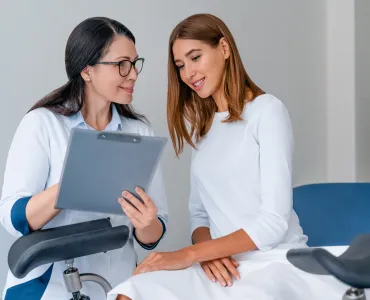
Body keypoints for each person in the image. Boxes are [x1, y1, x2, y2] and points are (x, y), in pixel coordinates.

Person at [108, 13, 346, 300]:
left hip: (274, 262)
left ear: (224, 48)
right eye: (181, 66)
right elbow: (199, 215)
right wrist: (209, 255)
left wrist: (190, 254)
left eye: (195, 58)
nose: (188, 74)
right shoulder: (204, 130)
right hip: (221, 264)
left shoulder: (267, 112)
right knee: (132, 291)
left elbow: (273, 222)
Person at [0, 17, 168, 300]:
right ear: (87, 70)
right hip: (48, 288)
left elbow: (153, 233)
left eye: (135, 64)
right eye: (121, 64)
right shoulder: (43, 124)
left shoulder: (139, 131)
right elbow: (13, 218)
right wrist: (73, 184)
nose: (133, 75)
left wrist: (146, 222)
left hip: (117, 286)